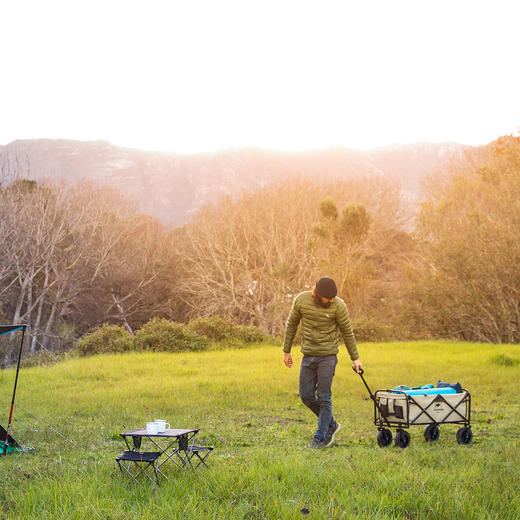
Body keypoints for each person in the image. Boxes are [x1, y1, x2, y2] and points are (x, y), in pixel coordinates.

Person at [283, 277, 362, 448]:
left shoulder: (338, 306)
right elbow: (292, 325)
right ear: (317, 294)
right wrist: (286, 351)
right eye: (328, 297)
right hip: (308, 356)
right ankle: (331, 424)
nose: (332, 300)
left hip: (328, 357)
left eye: (334, 297)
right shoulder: (301, 300)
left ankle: (320, 437)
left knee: (324, 396)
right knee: (306, 396)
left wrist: (355, 358)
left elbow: (347, 332)